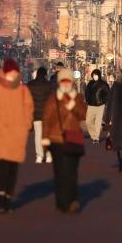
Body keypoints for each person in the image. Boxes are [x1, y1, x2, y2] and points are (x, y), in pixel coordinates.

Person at [0, 59, 35, 214]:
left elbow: (29, 108)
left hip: (17, 135)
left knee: (13, 168)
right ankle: (2, 199)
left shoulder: (22, 90)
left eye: (15, 72)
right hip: (1, 134)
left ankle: (8, 197)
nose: (13, 75)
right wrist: (0, 124)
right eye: (10, 72)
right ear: (5, 73)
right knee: (3, 166)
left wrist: (26, 123)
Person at [41, 69, 89, 213]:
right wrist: (44, 138)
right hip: (56, 140)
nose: (66, 84)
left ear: (72, 82)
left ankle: (73, 200)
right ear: (59, 82)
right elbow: (47, 119)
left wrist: (72, 106)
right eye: (63, 81)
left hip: (73, 138)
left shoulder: (78, 98)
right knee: (60, 172)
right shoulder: (53, 98)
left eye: (68, 81)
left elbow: (83, 114)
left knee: (72, 172)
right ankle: (62, 202)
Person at [27, 65, 53, 164]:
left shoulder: (31, 85)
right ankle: (49, 155)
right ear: (45, 75)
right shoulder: (49, 85)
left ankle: (39, 155)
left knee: (38, 135)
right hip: (47, 114)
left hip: (36, 114)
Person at [84, 68, 110, 142]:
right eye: (94, 75)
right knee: (88, 122)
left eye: (96, 75)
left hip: (100, 105)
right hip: (91, 105)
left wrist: (104, 101)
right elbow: (87, 92)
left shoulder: (104, 84)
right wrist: (87, 99)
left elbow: (108, 94)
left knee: (98, 122)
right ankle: (93, 135)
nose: (95, 76)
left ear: (99, 75)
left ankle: (96, 138)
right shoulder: (90, 83)